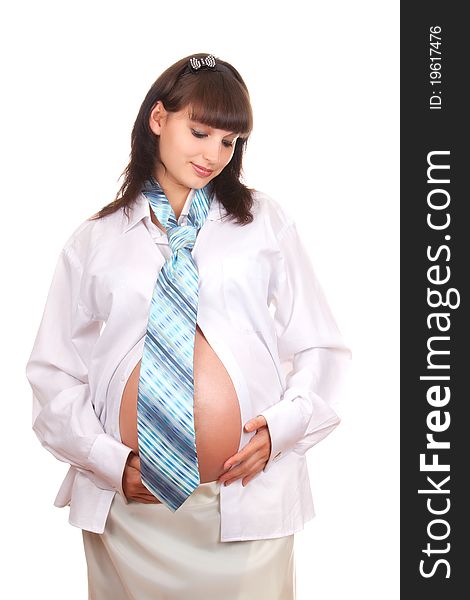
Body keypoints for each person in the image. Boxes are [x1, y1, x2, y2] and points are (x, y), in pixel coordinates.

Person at [25, 53, 351, 600]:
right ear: (158, 120)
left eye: (229, 141)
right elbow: (53, 371)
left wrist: (281, 429)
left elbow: (320, 346)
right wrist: (109, 461)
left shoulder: (265, 222)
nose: (213, 155)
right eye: (199, 132)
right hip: (132, 512)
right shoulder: (95, 239)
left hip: (247, 500)